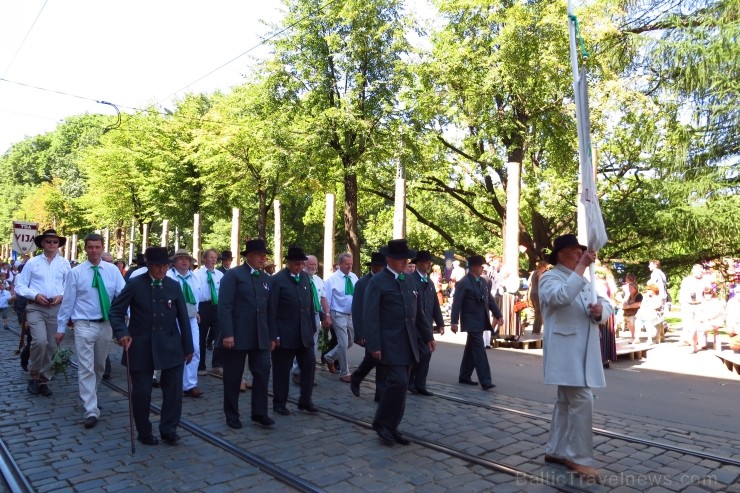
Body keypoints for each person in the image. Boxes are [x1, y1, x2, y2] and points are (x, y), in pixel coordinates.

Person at [539, 234, 613, 481]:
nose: (581, 255)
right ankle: (577, 456)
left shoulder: (586, 278)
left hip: (585, 350)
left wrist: (601, 311)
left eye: (582, 251)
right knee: (582, 400)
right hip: (565, 351)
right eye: (575, 251)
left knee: (565, 402)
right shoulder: (549, 276)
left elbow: (606, 303)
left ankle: (556, 450)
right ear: (560, 254)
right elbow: (560, 297)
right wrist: (581, 267)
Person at [109, 246, 194, 445]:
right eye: (158, 266)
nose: (162, 270)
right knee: (142, 393)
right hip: (141, 345)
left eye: (165, 266)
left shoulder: (173, 286)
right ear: (149, 266)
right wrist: (122, 333)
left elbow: (183, 318)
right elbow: (116, 312)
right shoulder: (135, 284)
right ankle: (144, 431)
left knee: (173, 391)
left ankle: (169, 428)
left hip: (171, 344)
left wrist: (188, 347)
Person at [364, 239, 434, 445]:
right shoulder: (377, 282)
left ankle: (392, 426)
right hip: (389, 342)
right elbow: (371, 316)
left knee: (402, 387)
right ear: (389, 259)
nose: (405, 262)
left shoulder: (409, 280)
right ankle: (382, 423)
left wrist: (428, 336)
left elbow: (418, 312)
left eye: (406, 259)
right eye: (400, 259)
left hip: (409, 342)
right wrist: (374, 345)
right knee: (398, 382)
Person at [55, 233, 125, 428]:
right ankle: (91, 409)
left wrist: (127, 321)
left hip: (105, 325)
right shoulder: (75, 273)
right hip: (84, 325)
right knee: (86, 367)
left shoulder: (112, 271)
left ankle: (90, 395)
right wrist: (61, 328)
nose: (94, 250)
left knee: (99, 366)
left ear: (102, 248)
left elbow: (123, 294)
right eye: (90, 247)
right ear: (85, 249)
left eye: (97, 247)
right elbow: (68, 302)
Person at [217, 239, 276, 429]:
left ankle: (259, 412)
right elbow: (224, 305)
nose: (263, 258)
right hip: (237, 335)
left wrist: (273, 336)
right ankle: (231, 414)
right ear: (249, 256)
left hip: (260, 335)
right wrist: (227, 333)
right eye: (260, 255)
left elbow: (270, 310)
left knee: (262, 372)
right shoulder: (234, 276)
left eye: (264, 255)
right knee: (233, 376)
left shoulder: (266, 279)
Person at [15, 229, 71, 397]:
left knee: (52, 345)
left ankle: (44, 379)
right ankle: (33, 375)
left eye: (55, 242)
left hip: (56, 308)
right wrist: (35, 295)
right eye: (48, 242)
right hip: (36, 307)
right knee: (39, 341)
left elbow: (69, 285)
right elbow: (20, 285)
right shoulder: (32, 263)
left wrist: (61, 295)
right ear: (42, 244)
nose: (52, 244)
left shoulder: (64, 264)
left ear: (58, 244)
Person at [268, 246, 318, 415]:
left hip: (304, 333)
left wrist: (312, 326)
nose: (299, 267)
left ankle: (305, 400)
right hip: (285, 333)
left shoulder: (304, 278)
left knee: (309, 365)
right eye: (296, 264)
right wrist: (274, 335)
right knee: (282, 369)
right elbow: (272, 310)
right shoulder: (277, 280)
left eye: (301, 264)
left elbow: (309, 305)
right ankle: (279, 402)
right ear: (288, 263)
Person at [450, 254, 502, 390]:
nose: (481, 269)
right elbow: (457, 303)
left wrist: (499, 315)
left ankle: (464, 376)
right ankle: (486, 380)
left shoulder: (483, 281)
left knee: (471, 349)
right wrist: (454, 322)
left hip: (481, 320)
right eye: (480, 266)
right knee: (479, 350)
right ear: (473, 267)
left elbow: (490, 300)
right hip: (471, 321)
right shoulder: (463, 283)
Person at [167, 249, 203, 398]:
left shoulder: (194, 278)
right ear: (174, 262)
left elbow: (197, 297)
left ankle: (190, 384)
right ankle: (175, 384)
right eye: (180, 259)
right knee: (176, 351)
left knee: (194, 348)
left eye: (187, 259)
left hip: (191, 318)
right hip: (173, 318)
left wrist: (196, 311)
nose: (184, 261)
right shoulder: (168, 277)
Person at [408, 250, 444, 396]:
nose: (429, 264)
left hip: (426, 324)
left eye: (430, 262)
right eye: (425, 262)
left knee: (423, 354)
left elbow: (435, 303)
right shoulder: (411, 279)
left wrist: (440, 323)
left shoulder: (429, 281)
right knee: (423, 353)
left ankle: (417, 383)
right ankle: (414, 382)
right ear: (417, 264)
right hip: (414, 324)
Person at [349, 252, 385, 399]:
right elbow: (357, 309)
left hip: (383, 327)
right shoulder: (363, 283)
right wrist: (360, 333)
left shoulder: (385, 280)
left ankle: (379, 393)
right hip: (369, 328)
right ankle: (357, 378)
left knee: (380, 360)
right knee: (373, 358)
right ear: (374, 267)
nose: (382, 269)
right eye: (380, 266)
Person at [290, 254, 328, 385]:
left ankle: (307, 372)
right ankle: (296, 371)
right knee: (302, 345)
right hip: (302, 316)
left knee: (313, 345)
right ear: (304, 265)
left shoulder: (318, 280)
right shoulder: (299, 279)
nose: (313, 267)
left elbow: (323, 298)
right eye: (310, 264)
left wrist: (327, 315)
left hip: (316, 315)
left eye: (315, 264)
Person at [323, 252, 357, 383]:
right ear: (340, 264)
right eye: (347, 264)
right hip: (338, 313)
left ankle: (329, 357)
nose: (349, 266)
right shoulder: (332, 279)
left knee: (350, 341)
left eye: (351, 264)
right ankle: (344, 372)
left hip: (351, 314)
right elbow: (327, 299)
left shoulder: (354, 277)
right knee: (342, 343)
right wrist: (327, 316)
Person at [194, 249, 223, 377]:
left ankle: (217, 365)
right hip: (203, 306)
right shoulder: (197, 274)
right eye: (210, 257)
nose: (213, 260)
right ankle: (200, 365)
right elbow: (195, 292)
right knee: (201, 336)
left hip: (216, 306)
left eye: (215, 257)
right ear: (204, 259)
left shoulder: (220, 275)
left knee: (218, 336)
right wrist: (196, 310)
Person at [527, 261, 548, 334]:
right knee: (539, 312)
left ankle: (533, 328)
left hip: (532, 293)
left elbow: (528, 283)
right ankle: (536, 330)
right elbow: (540, 283)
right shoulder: (539, 273)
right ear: (543, 266)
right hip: (538, 294)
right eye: (546, 266)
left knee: (536, 312)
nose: (546, 268)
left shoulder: (533, 272)